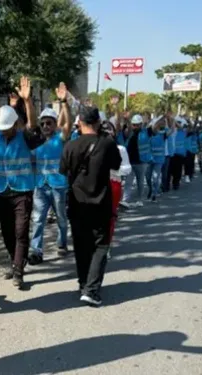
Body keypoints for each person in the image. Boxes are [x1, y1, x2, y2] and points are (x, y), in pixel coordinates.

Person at [0, 76, 45, 288]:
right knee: (7, 232)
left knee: (21, 231)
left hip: (22, 191)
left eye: (7, 127)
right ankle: (15, 261)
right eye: (0, 127)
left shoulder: (25, 137)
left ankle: (19, 271)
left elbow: (33, 124)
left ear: (14, 124)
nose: (4, 130)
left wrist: (27, 101)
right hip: (1, 192)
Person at [60, 106, 121, 306]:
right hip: (100, 202)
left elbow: (63, 171)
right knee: (101, 246)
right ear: (97, 122)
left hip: (76, 203)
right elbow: (116, 164)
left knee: (81, 246)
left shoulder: (70, 145)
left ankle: (83, 283)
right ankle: (92, 290)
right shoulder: (107, 144)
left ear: (80, 123)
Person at [29, 82, 73, 264]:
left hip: (58, 186)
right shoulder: (37, 142)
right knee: (38, 220)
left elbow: (68, 124)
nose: (46, 126)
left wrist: (64, 103)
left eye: (49, 123)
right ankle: (36, 250)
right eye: (43, 123)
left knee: (62, 219)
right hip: (40, 186)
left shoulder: (60, 138)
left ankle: (62, 243)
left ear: (55, 124)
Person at [100, 122, 131, 259]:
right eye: (104, 132)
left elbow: (127, 168)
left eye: (109, 132)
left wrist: (113, 168)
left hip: (114, 184)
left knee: (110, 217)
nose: (107, 135)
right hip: (96, 184)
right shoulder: (94, 147)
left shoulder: (120, 149)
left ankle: (106, 245)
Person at [120, 114, 151, 208]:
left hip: (141, 162)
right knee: (128, 182)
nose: (135, 126)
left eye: (137, 124)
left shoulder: (146, 132)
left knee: (140, 182)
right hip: (130, 162)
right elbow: (126, 130)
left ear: (141, 124)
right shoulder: (129, 133)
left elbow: (153, 127)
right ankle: (125, 200)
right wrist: (127, 119)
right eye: (134, 124)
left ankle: (140, 199)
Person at [146, 115, 167, 202]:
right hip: (149, 159)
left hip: (159, 160)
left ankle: (154, 194)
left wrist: (164, 118)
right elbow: (152, 127)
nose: (155, 128)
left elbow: (172, 130)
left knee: (155, 178)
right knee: (147, 177)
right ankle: (150, 189)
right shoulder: (149, 134)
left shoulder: (163, 134)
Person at [169, 116, 188, 190]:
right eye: (177, 122)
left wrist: (175, 121)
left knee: (178, 170)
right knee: (171, 170)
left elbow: (181, 127)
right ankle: (170, 183)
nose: (177, 124)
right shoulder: (172, 130)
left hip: (180, 154)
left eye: (179, 122)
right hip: (172, 153)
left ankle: (176, 183)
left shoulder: (183, 131)